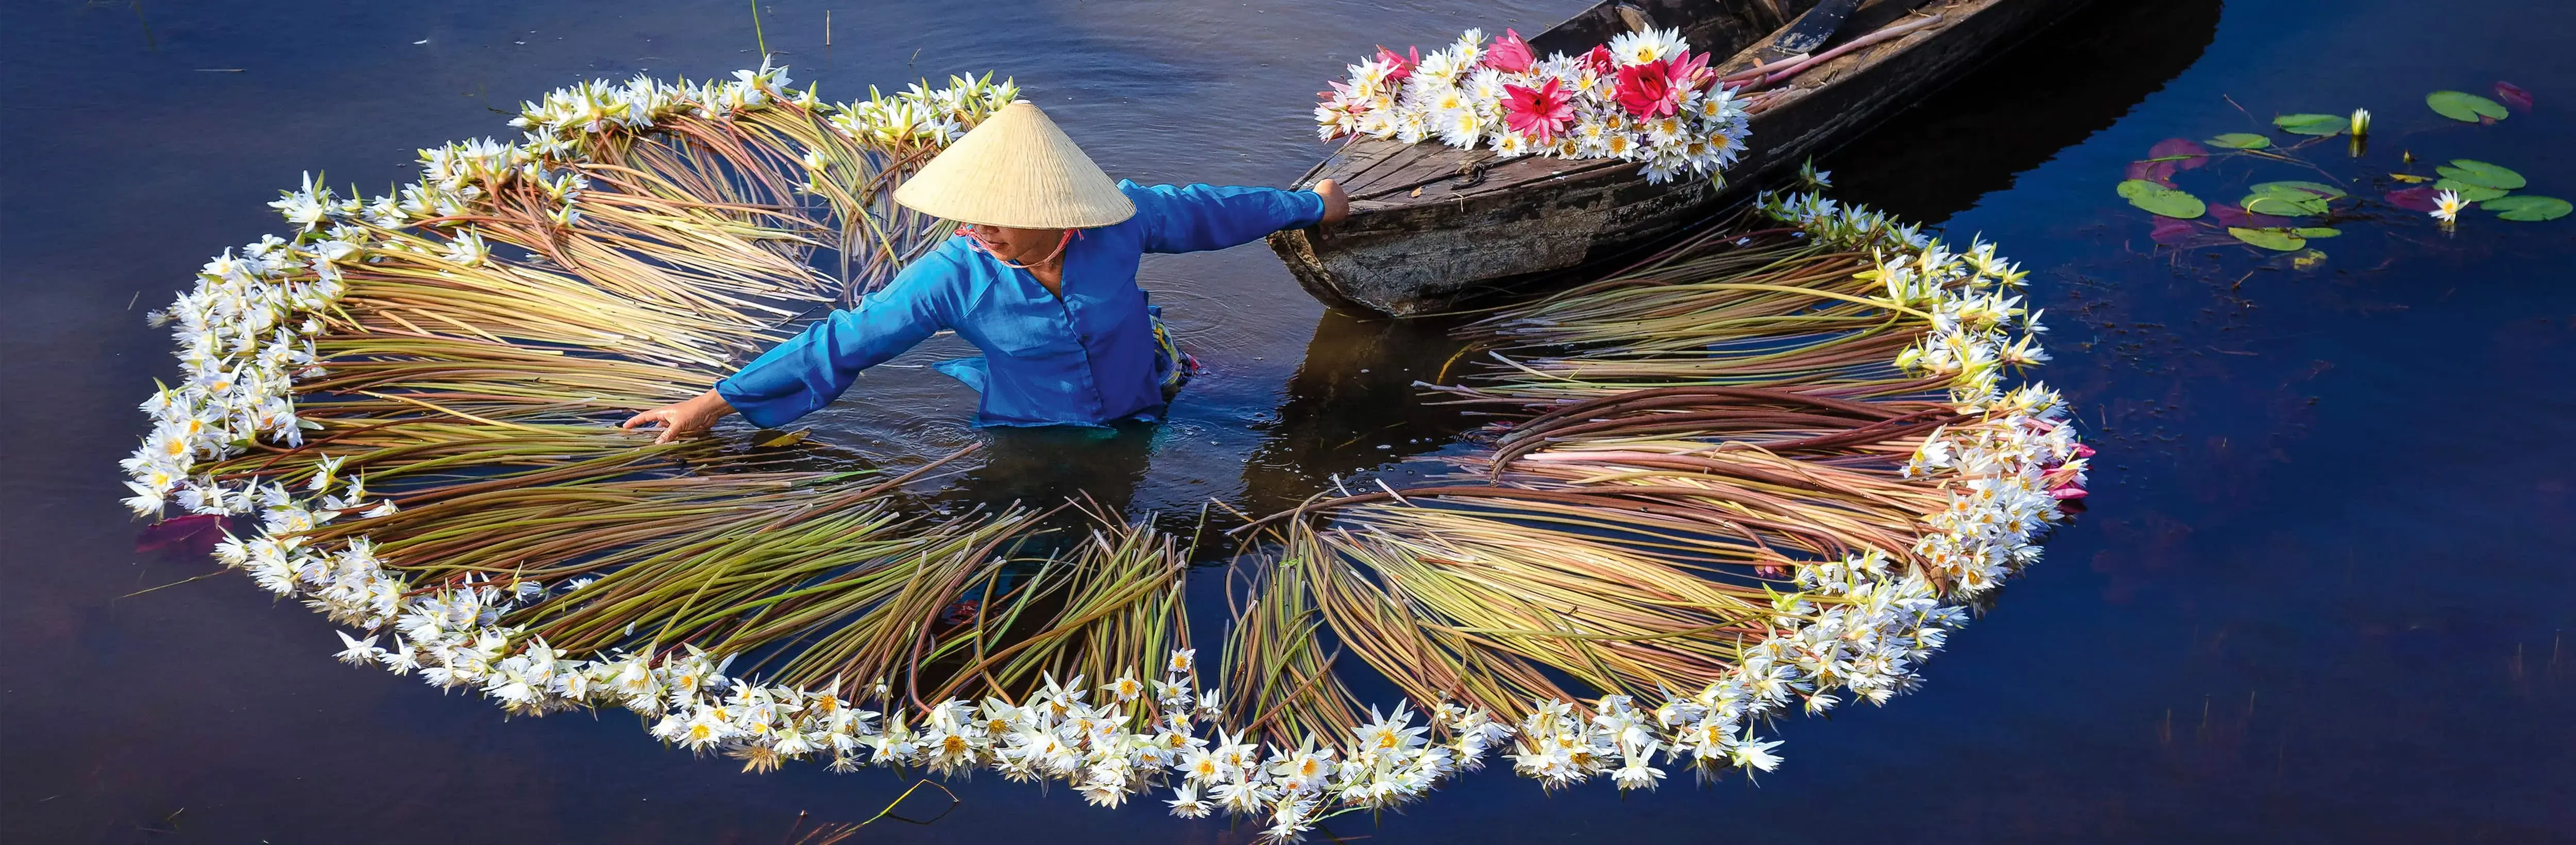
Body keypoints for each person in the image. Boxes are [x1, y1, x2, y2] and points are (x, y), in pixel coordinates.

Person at [623, 100, 1349, 442]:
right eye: (972, 218)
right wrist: (711, 404)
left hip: (1147, 394)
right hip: (1035, 429)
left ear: (1055, 207)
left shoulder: (1119, 219)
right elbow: (844, 342)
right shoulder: (952, 276)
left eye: (997, 217)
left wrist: (1310, 206)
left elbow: (1208, 213)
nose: (979, 231)